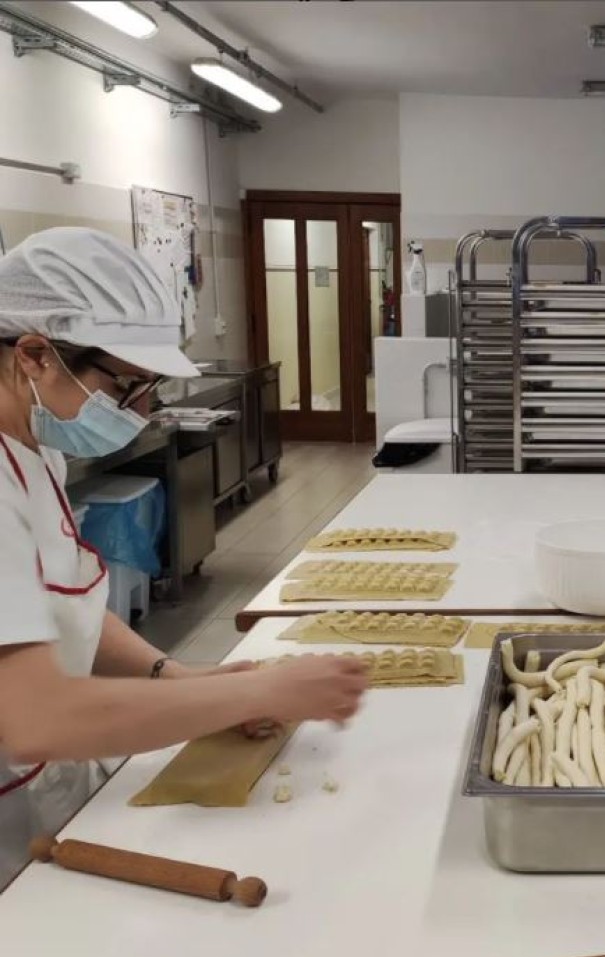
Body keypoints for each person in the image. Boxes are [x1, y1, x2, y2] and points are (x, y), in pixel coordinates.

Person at [0, 228, 369, 884]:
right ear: (35, 355)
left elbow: (65, 603)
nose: (140, 412)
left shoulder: (35, 444)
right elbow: (38, 718)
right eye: (128, 386)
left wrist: (180, 677)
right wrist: (261, 688)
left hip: (51, 793)